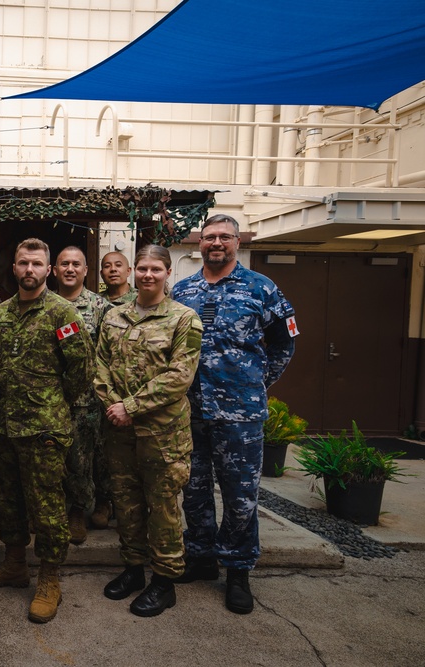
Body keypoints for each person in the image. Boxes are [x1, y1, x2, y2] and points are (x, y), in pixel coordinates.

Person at [171, 214, 298, 615]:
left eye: (225, 236)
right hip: (190, 410)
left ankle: (238, 570)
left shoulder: (261, 288)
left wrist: (256, 384)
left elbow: (285, 342)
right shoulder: (182, 290)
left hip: (240, 413)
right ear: (200, 243)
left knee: (241, 496)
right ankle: (202, 556)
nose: (216, 243)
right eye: (210, 237)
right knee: (193, 489)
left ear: (237, 242)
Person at [0, 238, 92, 624]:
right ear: (14, 268)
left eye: (37, 264)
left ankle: (50, 578)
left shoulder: (63, 313)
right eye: (23, 263)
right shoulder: (1, 314)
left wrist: (56, 405)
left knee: (47, 506)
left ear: (49, 270)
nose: (29, 270)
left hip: (44, 429)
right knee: (6, 501)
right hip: (5, 425)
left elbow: (80, 371)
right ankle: (13, 565)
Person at [94, 245, 203, 617]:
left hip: (163, 434)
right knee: (125, 502)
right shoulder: (114, 317)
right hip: (120, 431)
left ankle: (165, 581)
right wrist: (115, 407)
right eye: (142, 268)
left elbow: (180, 377)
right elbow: (100, 367)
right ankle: (133, 570)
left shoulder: (184, 319)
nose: (148, 275)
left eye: (155, 269)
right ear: (133, 272)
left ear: (167, 272)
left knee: (163, 508)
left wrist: (132, 407)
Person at [52, 246, 112, 544]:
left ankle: (78, 510)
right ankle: (53, 511)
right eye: (65, 264)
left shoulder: (101, 308)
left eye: (77, 264)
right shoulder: (43, 303)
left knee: (82, 459)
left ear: (86, 271)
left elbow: (109, 354)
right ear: (54, 270)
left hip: (86, 400)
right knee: (51, 458)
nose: (70, 269)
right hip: (48, 398)